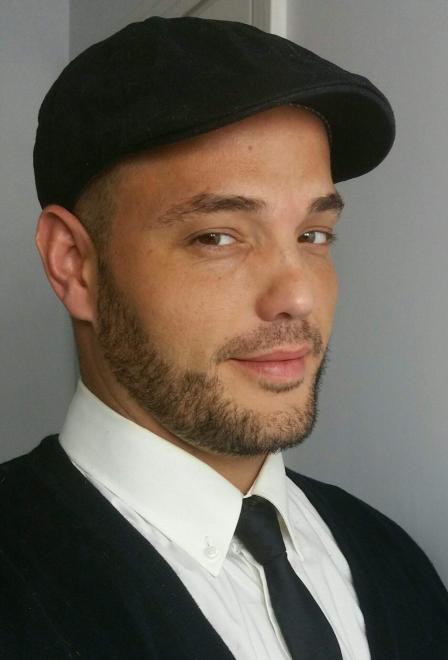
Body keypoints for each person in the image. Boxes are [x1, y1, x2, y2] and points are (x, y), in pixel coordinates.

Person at [1, 15, 447, 660]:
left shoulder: (392, 558)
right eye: (217, 237)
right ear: (75, 264)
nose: (297, 296)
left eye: (313, 235)